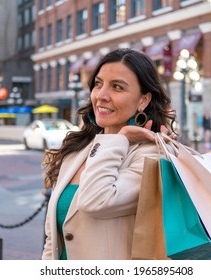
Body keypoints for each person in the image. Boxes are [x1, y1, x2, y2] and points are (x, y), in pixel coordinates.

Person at [41, 48, 176, 260]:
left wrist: (121, 138)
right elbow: (52, 240)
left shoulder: (153, 157)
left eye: (117, 87)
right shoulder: (77, 150)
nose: (101, 96)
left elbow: (95, 201)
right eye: (98, 84)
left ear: (143, 100)